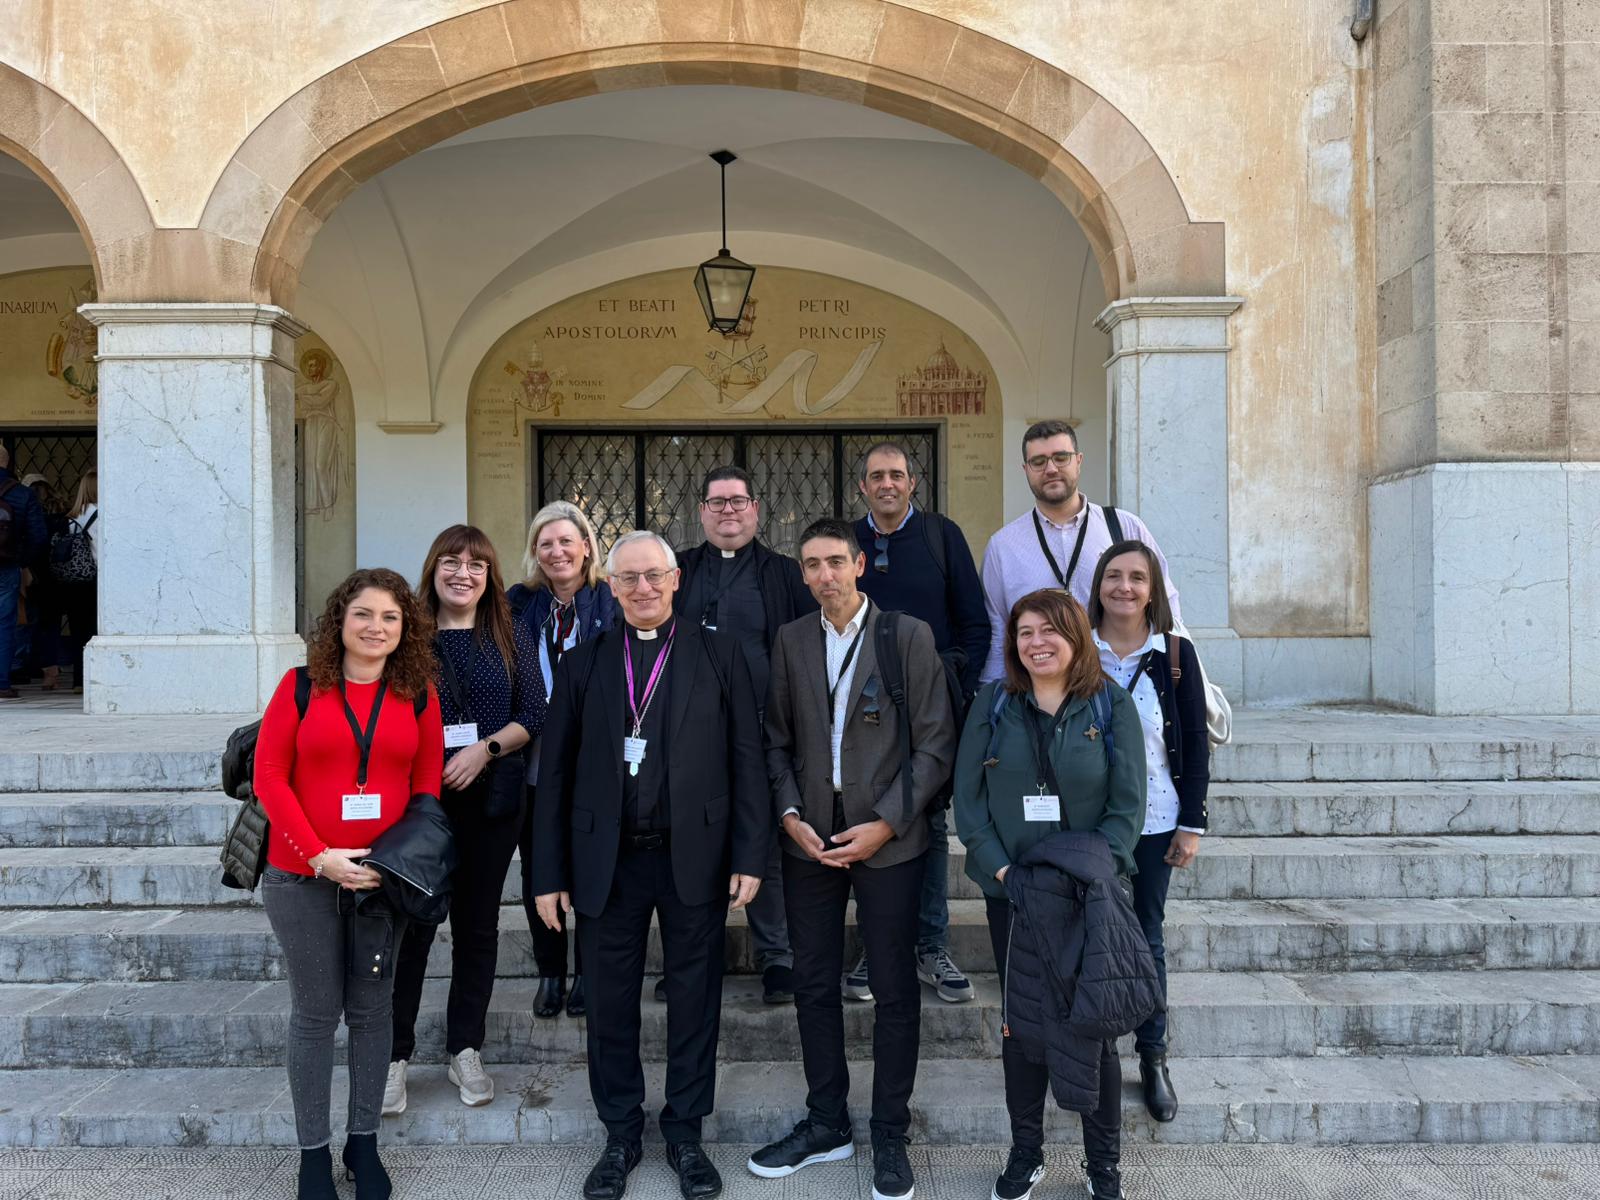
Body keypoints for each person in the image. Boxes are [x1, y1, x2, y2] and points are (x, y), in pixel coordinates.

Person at [531, 530, 768, 1200]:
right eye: (628, 578)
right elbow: (553, 780)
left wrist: (751, 852)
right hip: (607, 860)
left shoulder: (720, 654)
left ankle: (687, 1133)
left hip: (695, 853)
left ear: (675, 580)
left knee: (696, 999)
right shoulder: (584, 664)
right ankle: (620, 1134)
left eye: (653, 576)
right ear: (611, 586)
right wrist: (547, 874)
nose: (642, 589)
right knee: (608, 1004)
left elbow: (747, 758)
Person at [749, 518, 955, 1200]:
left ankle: (889, 1130)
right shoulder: (791, 639)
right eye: (811, 565)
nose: (824, 576)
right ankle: (827, 1121)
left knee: (894, 989)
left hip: (889, 839)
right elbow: (774, 741)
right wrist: (787, 816)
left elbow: (934, 746)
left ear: (859, 563)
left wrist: (887, 823)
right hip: (809, 836)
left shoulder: (906, 636)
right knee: (813, 983)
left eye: (835, 561)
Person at [252, 568, 445, 1200]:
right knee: (314, 1015)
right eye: (363, 614)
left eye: (390, 617)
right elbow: (270, 779)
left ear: (406, 628)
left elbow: (425, 789)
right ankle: (313, 1156)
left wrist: (391, 865)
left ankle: (364, 1145)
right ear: (340, 621)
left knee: (371, 1012)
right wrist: (320, 857)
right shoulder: (301, 687)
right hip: (301, 875)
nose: (376, 627)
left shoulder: (416, 692)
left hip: (380, 883)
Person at [953, 588, 1143, 1200]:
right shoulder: (992, 704)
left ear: (1077, 635)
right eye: (1024, 631)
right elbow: (969, 804)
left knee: (1096, 1024)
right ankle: (1026, 1151)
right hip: (1015, 896)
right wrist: (1002, 872)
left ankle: (1102, 1164)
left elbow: (1126, 808)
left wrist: (1091, 874)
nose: (1035, 642)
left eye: (1049, 630)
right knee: (1022, 1026)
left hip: (1090, 900)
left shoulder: (1110, 707)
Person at [385, 526, 547, 1114]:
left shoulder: (509, 632)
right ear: (432, 569)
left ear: (490, 576)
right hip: (420, 805)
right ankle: (394, 1056)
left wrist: (485, 750)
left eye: (476, 565)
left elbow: (534, 711)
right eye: (451, 562)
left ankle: (465, 1048)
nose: (463, 574)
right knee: (413, 931)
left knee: (477, 931)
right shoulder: (408, 637)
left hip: (491, 804)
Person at [849, 440, 988, 1006]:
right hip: (860, 710)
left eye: (897, 475)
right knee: (864, 819)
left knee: (926, 822)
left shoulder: (941, 536)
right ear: (863, 487)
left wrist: (953, 683)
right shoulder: (847, 541)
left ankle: (932, 946)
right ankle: (874, 949)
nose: (887, 484)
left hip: (932, 706)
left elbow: (975, 625)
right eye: (876, 476)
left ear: (913, 483)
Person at [675, 465, 816, 1005]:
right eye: (717, 502)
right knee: (696, 843)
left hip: (765, 730)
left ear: (756, 509)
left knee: (766, 842)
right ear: (702, 512)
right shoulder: (678, 571)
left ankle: (777, 956)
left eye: (738, 501)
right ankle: (697, 956)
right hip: (689, 736)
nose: (728, 510)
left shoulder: (784, 574)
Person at [1088, 541, 1209, 1124]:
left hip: (1157, 819)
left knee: (1147, 935)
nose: (1125, 587)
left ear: (1153, 589)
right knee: (1094, 934)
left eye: (1138, 577)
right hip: (1091, 823)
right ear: (1099, 585)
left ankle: (1153, 1055)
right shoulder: (1077, 650)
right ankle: (1099, 1050)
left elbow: (1193, 745)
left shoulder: (1176, 655)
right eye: (1114, 576)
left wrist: (1192, 823)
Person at [508, 501, 618, 1019]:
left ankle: (588, 974)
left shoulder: (610, 600)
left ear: (586, 547)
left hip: (596, 757)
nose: (557, 552)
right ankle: (550, 972)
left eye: (566, 541)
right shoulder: (518, 605)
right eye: (546, 543)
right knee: (540, 869)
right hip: (535, 758)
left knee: (594, 867)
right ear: (535, 552)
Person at [978, 420, 1180, 683]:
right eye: (1038, 462)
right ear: (1025, 469)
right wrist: (990, 699)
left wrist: (1178, 672)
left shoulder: (1124, 527)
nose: (1051, 469)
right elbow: (998, 629)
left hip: (1122, 682)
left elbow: (1166, 602)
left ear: (1079, 460)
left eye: (1061, 457)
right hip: (1039, 695)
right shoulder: (1003, 546)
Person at [0, 445, 48, 700]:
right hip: (6, 566)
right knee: (4, 624)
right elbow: (39, 536)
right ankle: (2, 683)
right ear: (7, 463)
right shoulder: (21, 494)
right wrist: (21, 560)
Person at [18, 474, 69, 690]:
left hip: (32, 574)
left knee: (26, 621)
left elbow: (33, 540)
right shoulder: (63, 513)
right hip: (58, 576)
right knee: (51, 625)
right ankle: (51, 672)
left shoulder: (27, 512)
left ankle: (23, 666)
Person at [61, 469, 98, 695]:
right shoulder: (101, 514)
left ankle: (78, 679)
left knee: (78, 631)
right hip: (94, 579)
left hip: (73, 580)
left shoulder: (73, 516)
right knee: (94, 630)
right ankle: (92, 678)